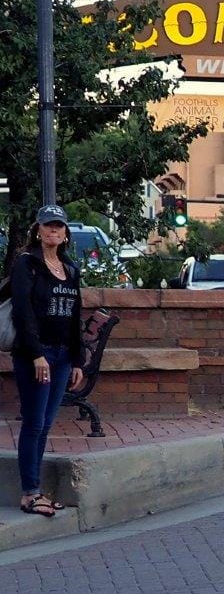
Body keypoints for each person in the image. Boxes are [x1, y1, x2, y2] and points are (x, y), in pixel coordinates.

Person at [9, 205, 86, 517]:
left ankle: (36, 489)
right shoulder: (26, 264)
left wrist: (78, 360)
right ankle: (30, 494)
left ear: (65, 233)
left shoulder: (70, 269)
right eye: (47, 225)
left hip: (63, 355)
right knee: (34, 423)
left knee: (46, 424)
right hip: (35, 356)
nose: (53, 230)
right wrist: (36, 354)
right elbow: (22, 312)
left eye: (58, 226)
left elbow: (75, 316)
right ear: (38, 231)